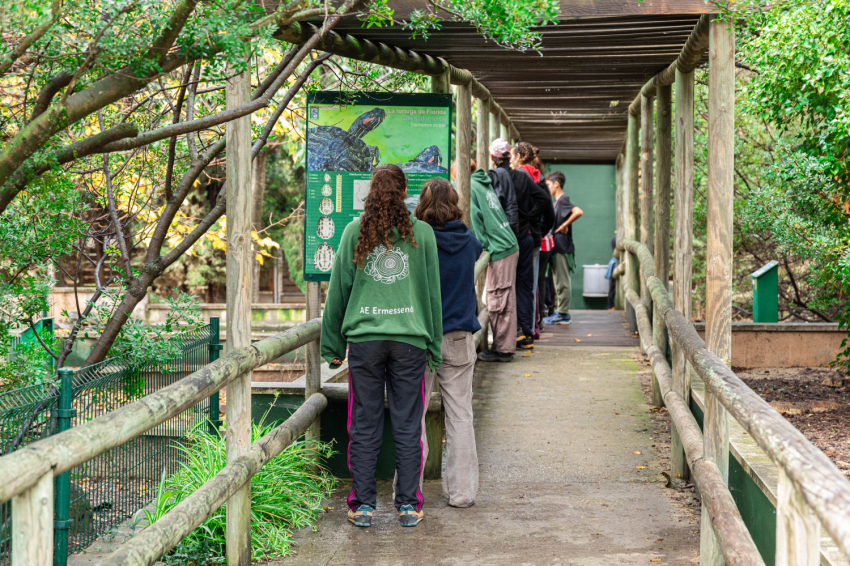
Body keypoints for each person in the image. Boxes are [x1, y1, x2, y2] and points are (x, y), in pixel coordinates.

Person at [320, 164, 443, 529]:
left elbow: (337, 293)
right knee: (407, 427)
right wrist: (434, 345)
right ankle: (408, 505)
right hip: (410, 343)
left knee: (363, 424)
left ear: (370, 192)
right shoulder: (422, 234)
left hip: (365, 344)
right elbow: (432, 296)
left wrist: (332, 346)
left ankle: (363, 506)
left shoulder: (353, 232)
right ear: (405, 193)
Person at [405, 176, 483, 506]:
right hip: (460, 338)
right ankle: (462, 494)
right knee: (461, 416)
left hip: (421, 338)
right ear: (454, 203)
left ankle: (408, 491)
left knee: (412, 414)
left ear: (422, 205)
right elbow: (482, 249)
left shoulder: (417, 240)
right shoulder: (469, 240)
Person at [461, 158, 520, 363]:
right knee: (495, 296)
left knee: (499, 298)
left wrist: (480, 248)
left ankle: (503, 349)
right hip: (506, 244)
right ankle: (502, 346)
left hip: (499, 248)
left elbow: (475, 220)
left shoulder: (469, 188)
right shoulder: (482, 183)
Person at [511, 142, 555, 342]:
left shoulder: (518, 176)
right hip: (533, 237)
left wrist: (528, 217)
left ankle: (524, 328)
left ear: (519, 156)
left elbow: (545, 206)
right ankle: (533, 326)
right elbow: (549, 212)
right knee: (532, 283)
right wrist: (539, 229)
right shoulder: (539, 177)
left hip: (519, 236)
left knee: (518, 284)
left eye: (512, 155)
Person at [543, 170, 583, 325]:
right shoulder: (556, 202)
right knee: (557, 281)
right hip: (557, 247)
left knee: (562, 282)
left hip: (562, 247)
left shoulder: (563, 200)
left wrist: (565, 224)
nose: (547, 188)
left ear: (556, 184)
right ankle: (560, 313)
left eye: (548, 185)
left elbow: (578, 211)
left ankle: (563, 314)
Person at [606, 233, 617, 310]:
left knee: (613, 286)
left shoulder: (615, 237)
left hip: (614, 263)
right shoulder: (616, 237)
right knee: (613, 286)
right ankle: (610, 305)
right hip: (615, 264)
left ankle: (611, 305)